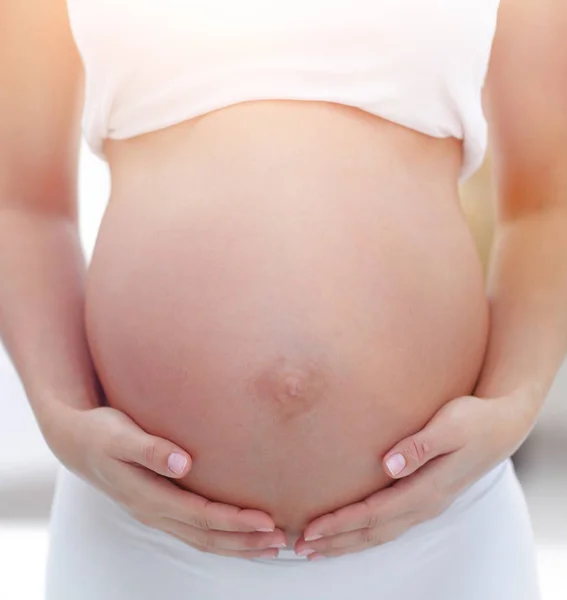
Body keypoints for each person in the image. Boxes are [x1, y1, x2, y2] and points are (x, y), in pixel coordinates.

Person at [1, 0, 566, 598]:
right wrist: (59, 412)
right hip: (140, 537)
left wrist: (515, 403)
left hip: (441, 532)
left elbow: (548, 205)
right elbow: (22, 206)